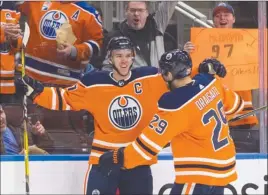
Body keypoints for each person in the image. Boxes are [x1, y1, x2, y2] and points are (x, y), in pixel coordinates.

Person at [17, 37, 226, 194]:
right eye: (118, 55)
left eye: (127, 55)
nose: (124, 60)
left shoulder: (151, 77)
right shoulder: (93, 82)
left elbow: (180, 75)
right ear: (110, 57)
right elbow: (64, 99)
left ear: (133, 56)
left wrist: (204, 68)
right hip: (103, 160)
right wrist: (37, 92)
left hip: (137, 161)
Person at [98, 49, 245, 195]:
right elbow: (236, 106)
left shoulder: (174, 104)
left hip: (198, 175)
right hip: (222, 172)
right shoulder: (210, 82)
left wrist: (118, 157)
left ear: (168, 74)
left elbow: (147, 147)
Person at [184, 2, 258, 130]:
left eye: (226, 14)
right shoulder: (200, 42)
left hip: (240, 112)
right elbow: (189, 76)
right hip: (211, 111)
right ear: (213, 20)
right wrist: (185, 55)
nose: (222, 18)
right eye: (218, 15)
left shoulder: (248, 41)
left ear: (233, 19)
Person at [16, 1, 103, 87]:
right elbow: (12, 6)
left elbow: (96, 45)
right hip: (28, 75)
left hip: (65, 81)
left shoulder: (90, 13)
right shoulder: (36, 2)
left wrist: (74, 51)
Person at [102, 1, 178, 70]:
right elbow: (107, 68)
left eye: (140, 10)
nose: (136, 14)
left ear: (147, 12)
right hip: (133, 84)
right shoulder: (116, 37)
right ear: (126, 12)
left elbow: (170, 3)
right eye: (132, 10)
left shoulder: (156, 25)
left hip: (158, 82)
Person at [0, 1, 23, 103]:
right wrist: (2, 31)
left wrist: (15, 39)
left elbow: (16, 47)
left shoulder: (10, 4)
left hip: (6, 83)